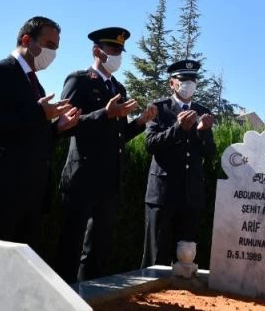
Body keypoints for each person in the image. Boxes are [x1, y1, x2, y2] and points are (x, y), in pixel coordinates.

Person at [0, 16, 80, 249]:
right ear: (27, 40)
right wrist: (39, 113)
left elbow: (30, 133)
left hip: (30, 198)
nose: (53, 53)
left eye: (56, 48)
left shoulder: (37, 85)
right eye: (49, 45)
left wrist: (56, 128)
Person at [55, 27, 157, 282]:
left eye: (120, 51)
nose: (117, 56)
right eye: (112, 50)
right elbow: (66, 126)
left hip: (109, 179)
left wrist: (140, 122)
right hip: (82, 176)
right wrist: (105, 114)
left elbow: (118, 135)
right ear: (96, 51)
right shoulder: (79, 80)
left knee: (97, 247)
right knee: (70, 245)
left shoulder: (118, 88)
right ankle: (62, 296)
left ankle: (89, 295)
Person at [141, 59, 215, 268]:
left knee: (186, 256)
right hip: (163, 194)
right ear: (172, 83)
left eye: (192, 80)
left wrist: (203, 132)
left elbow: (209, 153)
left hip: (190, 195)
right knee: (157, 257)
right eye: (183, 79)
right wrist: (178, 128)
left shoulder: (202, 110)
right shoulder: (159, 108)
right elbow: (150, 144)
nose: (188, 84)